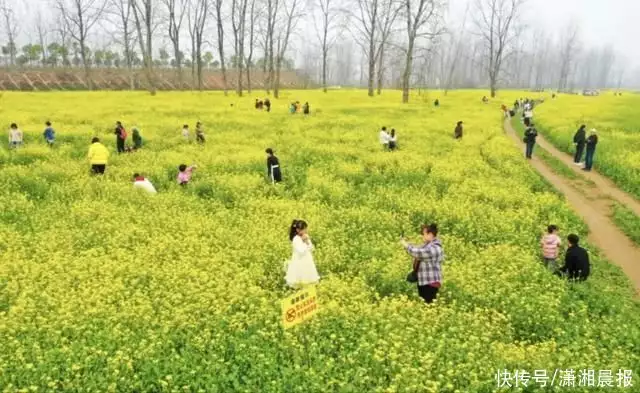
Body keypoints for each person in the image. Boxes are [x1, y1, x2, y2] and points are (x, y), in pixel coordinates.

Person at [401, 223, 445, 304]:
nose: (422, 236)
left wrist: (406, 245)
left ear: (430, 234)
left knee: (429, 306)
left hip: (430, 283)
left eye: (423, 234)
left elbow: (418, 253)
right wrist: (408, 244)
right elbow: (417, 249)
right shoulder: (427, 246)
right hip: (424, 281)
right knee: (426, 306)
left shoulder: (436, 248)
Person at [285, 219, 320, 288]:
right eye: (303, 229)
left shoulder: (305, 236)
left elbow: (312, 248)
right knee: (300, 279)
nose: (305, 231)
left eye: (305, 229)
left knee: (309, 279)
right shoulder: (296, 239)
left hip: (307, 260)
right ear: (298, 230)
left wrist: (307, 241)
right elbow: (301, 251)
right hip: (299, 261)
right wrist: (304, 242)